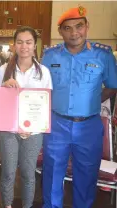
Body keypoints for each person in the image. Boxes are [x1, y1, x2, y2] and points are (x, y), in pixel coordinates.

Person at [41, 6, 117, 208]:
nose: (74, 33)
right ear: (60, 31)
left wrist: (90, 102)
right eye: (68, 28)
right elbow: (41, 88)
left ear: (87, 27)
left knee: (87, 174)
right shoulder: (50, 56)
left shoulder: (103, 55)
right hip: (56, 124)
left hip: (89, 126)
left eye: (79, 26)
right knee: (52, 173)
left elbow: (112, 86)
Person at [0, 26, 52, 208]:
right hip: (8, 131)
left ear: (35, 45)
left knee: (28, 173)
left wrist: (33, 128)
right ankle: (7, 205)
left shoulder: (43, 72)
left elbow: (46, 104)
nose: (24, 46)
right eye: (19, 42)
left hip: (33, 133)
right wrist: (4, 87)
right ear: (14, 45)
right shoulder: (4, 69)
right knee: (8, 173)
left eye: (28, 42)